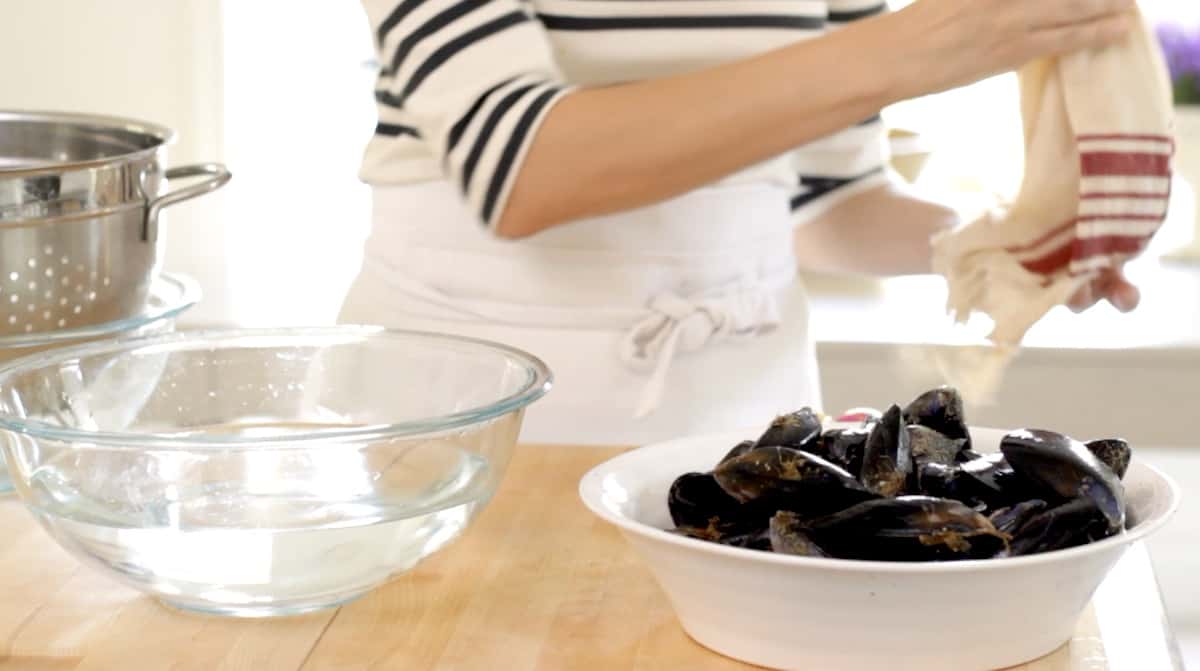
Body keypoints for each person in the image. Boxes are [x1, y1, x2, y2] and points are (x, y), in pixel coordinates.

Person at [340, 0, 1141, 446]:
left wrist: (1001, 246)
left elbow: (827, 201)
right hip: (463, 420)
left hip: (745, 413)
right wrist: (909, 49)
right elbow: (517, 167)